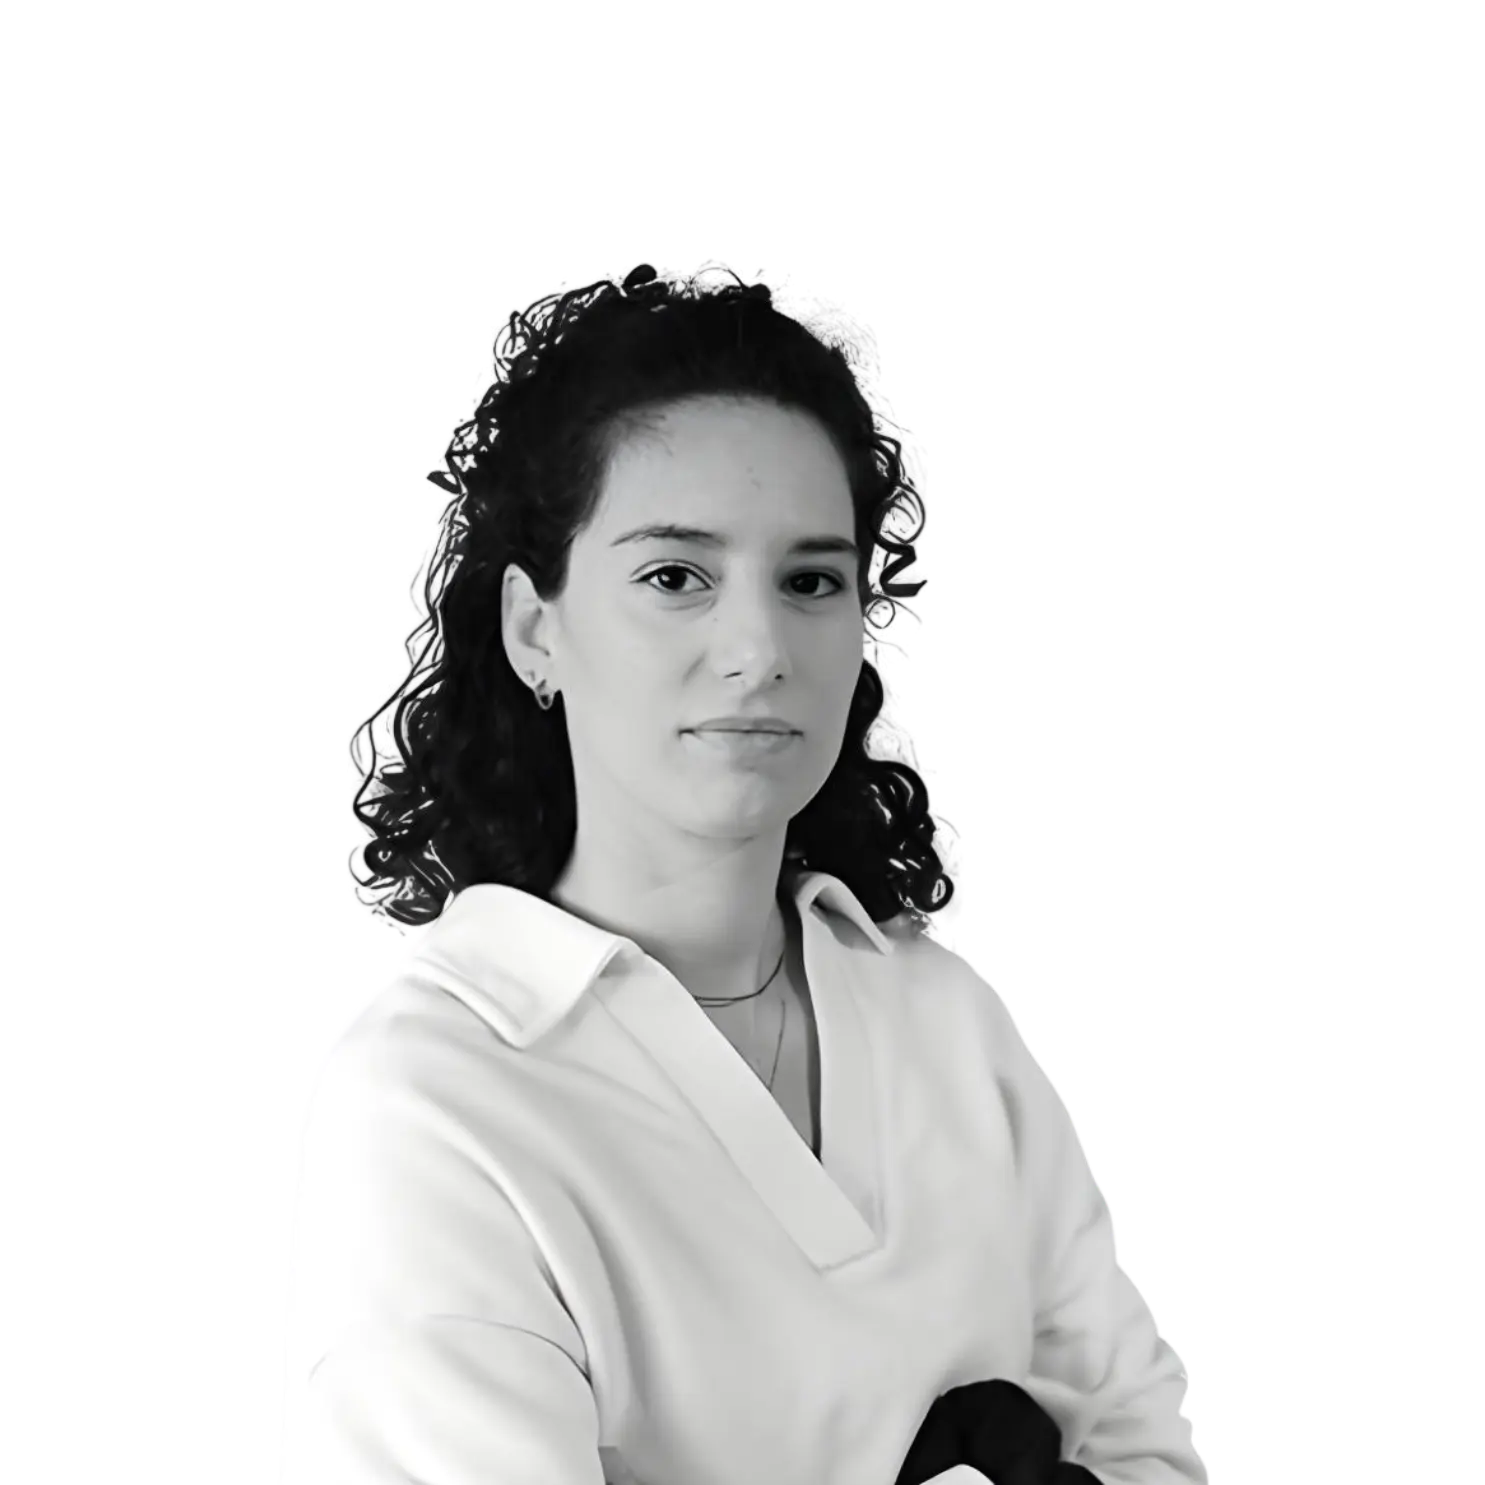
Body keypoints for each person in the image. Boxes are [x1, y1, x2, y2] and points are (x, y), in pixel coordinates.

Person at [280, 261, 1206, 1483]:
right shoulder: (436, 1101)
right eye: (676, 577)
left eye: (811, 581)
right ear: (534, 629)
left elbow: (1152, 1448)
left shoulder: (944, 1009)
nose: (760, 648)